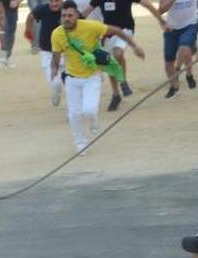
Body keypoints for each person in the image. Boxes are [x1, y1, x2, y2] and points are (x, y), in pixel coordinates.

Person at [49, 0, 143, 152]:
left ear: (77, 15)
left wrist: (135, 46)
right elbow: (56, 55)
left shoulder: (91, 26)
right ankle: (80, 143)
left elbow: (117, 31)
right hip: (72, 78)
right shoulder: (57, 34)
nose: (67, 18)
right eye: (64, 15)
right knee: (73, 115)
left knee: (89, 110)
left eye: (70, 15)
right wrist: (54, 69)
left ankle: (93, 119)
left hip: (92, 76)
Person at [88, 0, 163, 110]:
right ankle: (116, 95)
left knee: (118, 53)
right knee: (108, 63)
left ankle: (123, 81)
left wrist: (161, 21)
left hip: (126, 30)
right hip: (108, 33)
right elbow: (85, 12)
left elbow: (147, 4)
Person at [159, 0, 198, 98]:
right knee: (169, 62)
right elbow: (160, 10)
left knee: (185, 49)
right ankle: (174, 87)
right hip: (171, 27)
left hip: (190, 24)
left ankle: (189, 74)